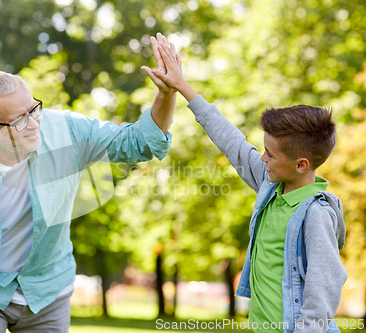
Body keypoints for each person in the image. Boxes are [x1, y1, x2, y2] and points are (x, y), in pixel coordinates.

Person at [0, 35, 176, 333]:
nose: (34, 124)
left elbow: (139, 143)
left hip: (48, 292)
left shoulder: (67, 132)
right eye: (20, 120)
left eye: (34, 109)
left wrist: (166, 94)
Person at [144, 42, 347, 332]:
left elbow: (323, 291)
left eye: (270, 154)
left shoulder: (316, 216)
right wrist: (183, 87)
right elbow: (232, 142)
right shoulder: (272, 188)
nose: (261, 157)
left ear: (301, 165)